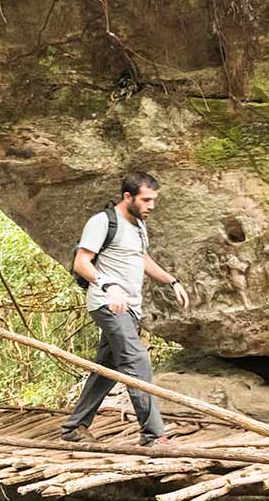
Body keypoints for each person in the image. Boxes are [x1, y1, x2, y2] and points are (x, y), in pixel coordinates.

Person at [61, 172, 190, 445]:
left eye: (154, 199)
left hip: (130, 307)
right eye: (146, 200)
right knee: (137, 361)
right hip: (108, 305)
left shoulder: (139, 225)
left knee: (107, 369)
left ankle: (75, 426)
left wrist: (172, 280)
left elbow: (141, 258)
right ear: (128, 196)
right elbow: (82, 263)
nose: (151, 205)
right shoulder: (101, 223)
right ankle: (154, 435)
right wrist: (108, 285)